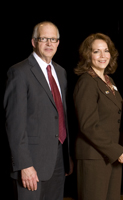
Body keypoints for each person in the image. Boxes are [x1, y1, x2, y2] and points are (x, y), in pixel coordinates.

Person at [3, 21, 72, 200]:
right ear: (34, 42)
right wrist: (24, 165)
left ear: (58, 43)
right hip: (31, 163)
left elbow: (60, 116)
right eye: (43, 39)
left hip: (58, 160)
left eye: (53, 39)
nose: (49, 43)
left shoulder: (61, 72)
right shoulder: (19, 72)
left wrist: (65, 157)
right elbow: (15, 124)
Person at [73, 33, 123, 200]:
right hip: (94, 157)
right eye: (96, 51)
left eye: (106, 50)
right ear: (88, 55)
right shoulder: (86, 81)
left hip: (110, 155)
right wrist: (117, 151)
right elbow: (88, 125)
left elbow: (106, 109)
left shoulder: (108, 80)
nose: (103, 56)